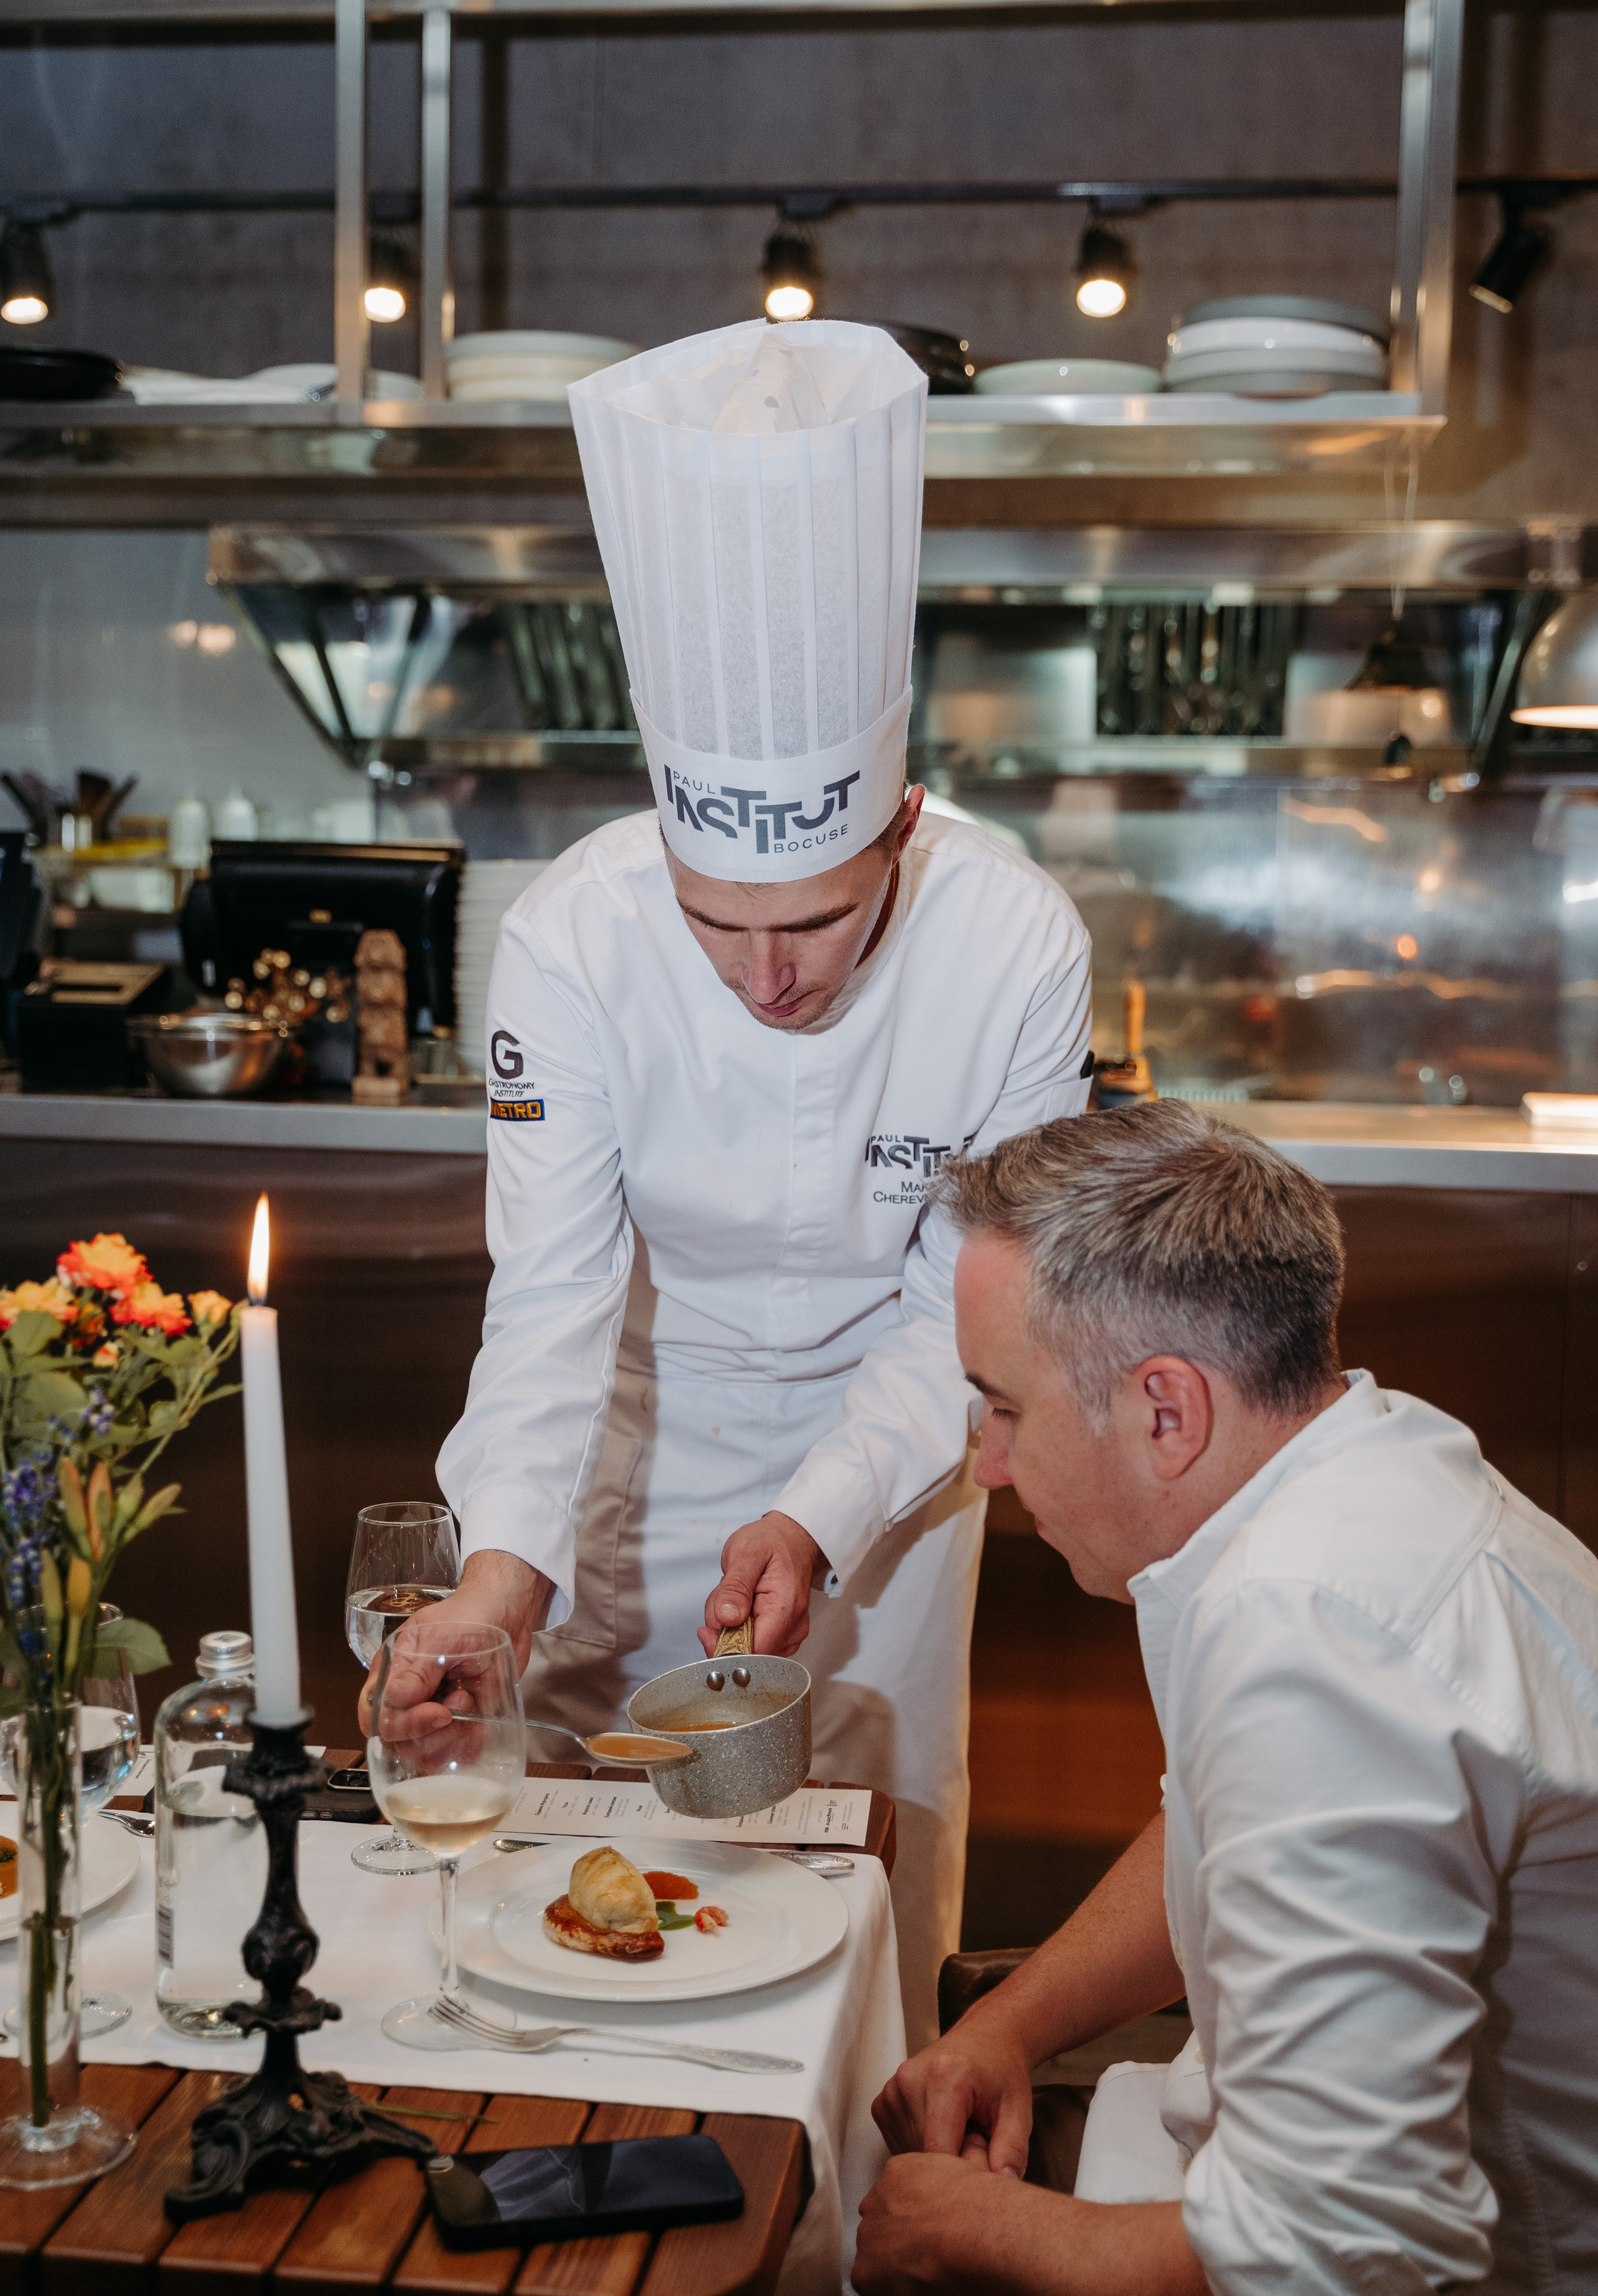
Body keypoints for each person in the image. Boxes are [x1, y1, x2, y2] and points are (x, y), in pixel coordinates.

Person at [368, 319, 1092, 2044]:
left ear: (902, 827)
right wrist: (504, 1572)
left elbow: (959, 1310)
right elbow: (552, 1293)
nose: (769, 980)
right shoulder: (572, 937)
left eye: (819, 923)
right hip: (628, 1465)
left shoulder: (1016, 945)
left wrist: (820, 1514)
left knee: (859, 1915)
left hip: (893, 1498)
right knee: (578, 1911)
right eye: (720, 929)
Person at [860, 1101, 1598, 2294]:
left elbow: (1349, 2251)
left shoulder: (1312, 1641)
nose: (988, 1463)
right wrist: (1009, 2024)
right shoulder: (1361, 1458)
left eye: (1005, 1408)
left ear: (1167, 1411)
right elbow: (1222, 1825)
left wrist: (964, 2229)